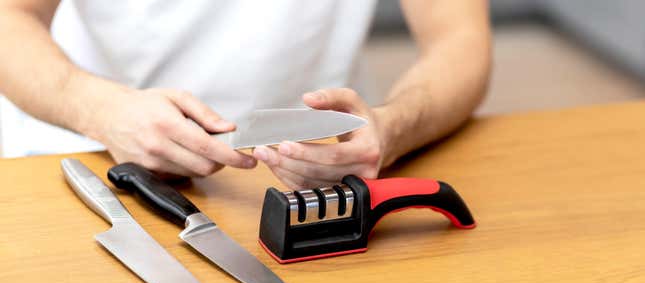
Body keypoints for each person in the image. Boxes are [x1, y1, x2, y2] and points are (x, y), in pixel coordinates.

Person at [0, 0, 491, 189]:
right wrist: (101, 111)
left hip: (316, 176)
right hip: (85, 159)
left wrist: (392, 127)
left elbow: (460, 40)